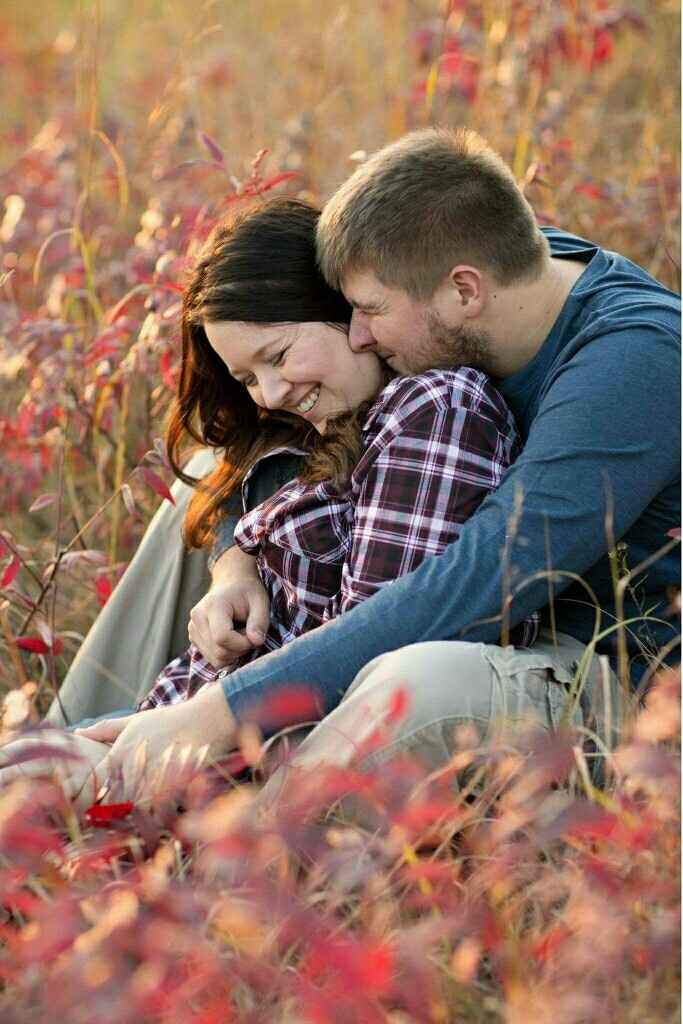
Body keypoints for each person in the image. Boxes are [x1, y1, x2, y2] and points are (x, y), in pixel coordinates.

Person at [58, 127, 681, 806]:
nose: (356, 332)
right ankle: (58, 753)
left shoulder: (634, 363)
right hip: (502, 636)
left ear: (464, 292)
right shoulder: (462, 259)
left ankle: (229, 863)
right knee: (207, 481)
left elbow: (477, 584)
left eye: (369, 312)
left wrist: (221, 713)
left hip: (614, 679)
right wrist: (233, 558)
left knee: (413, 680)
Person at [2, 196, 532, 805]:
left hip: (210, 771)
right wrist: (234, 563)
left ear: (348, 309)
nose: (272, 393)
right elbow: (229, 470)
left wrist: (111, 771)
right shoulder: (330, 427)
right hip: (165, 736)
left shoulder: (433, 408)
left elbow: (362, 677)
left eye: (277, 356)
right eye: (249, 378)